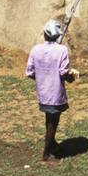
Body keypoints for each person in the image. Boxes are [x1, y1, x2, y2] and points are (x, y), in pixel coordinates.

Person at [25, 20, 77, 164]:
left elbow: (29, 72)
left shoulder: (35, 49)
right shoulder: (62, 50)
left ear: (45, 34)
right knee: (53, 122)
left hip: (42, 93)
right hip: (55, 94)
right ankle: (46, 155)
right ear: (57, 36)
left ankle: (52, 145)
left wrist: (42, 79)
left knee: (49, 119)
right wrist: (71, 77)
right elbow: (63, 72)